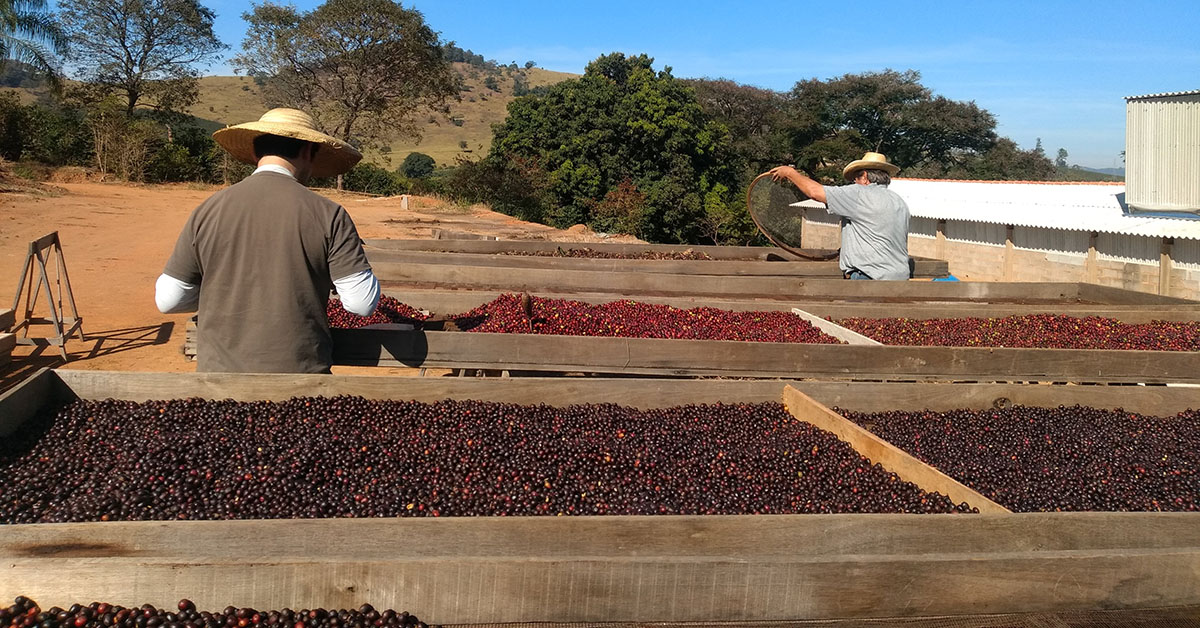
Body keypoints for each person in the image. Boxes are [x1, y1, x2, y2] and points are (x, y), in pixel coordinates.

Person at [155, 108, 381, 373]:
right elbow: (361, 304)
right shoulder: (328, 214)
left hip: (218, 382)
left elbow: (168, 300)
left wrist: (223, 294)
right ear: (309, 150)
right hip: (300, 379)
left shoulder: (208, 210)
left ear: (254, 152)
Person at [769, 152, 911, 280]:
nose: (854, 182)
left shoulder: (859, 193)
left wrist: (790, 173)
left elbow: (815, 192)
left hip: (869, 277)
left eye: (856, 177)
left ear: (865, 176)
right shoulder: (899, 201)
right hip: (900, 279)